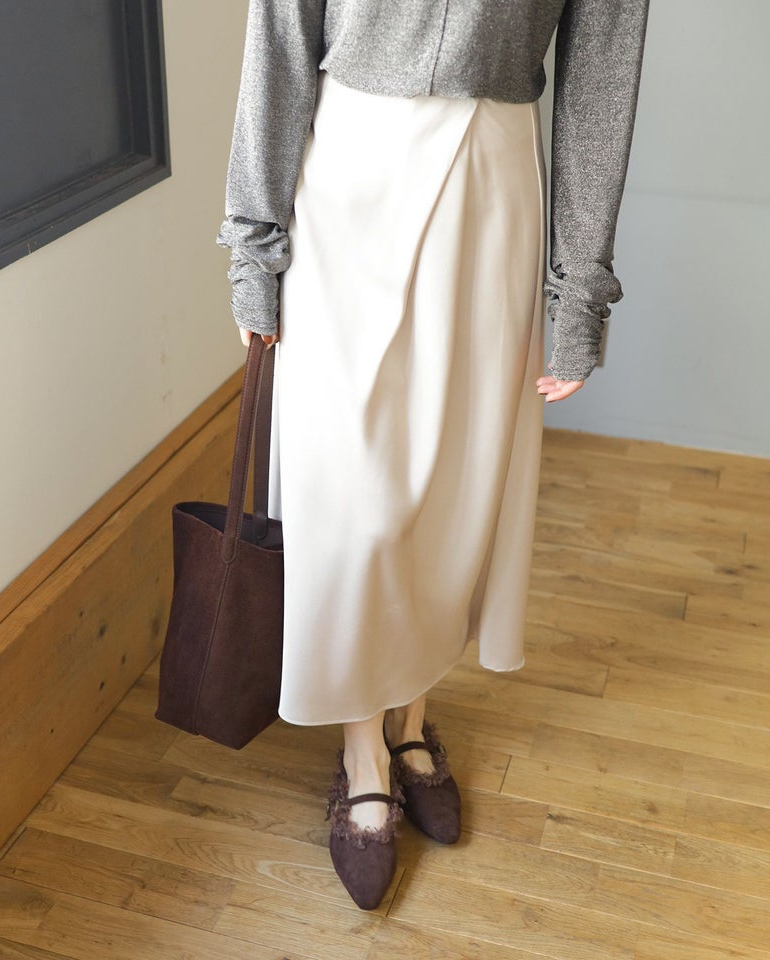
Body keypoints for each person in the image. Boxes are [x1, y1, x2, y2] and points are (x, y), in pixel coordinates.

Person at [216, 0, 650, 910]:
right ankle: (361, 753)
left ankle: (411, 718)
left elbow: (603, 66)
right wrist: (253, 244)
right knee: (357, 496)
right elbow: (282, 29)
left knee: (457, 488)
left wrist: (579, 293)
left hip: (493, 173)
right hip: (347, 170)